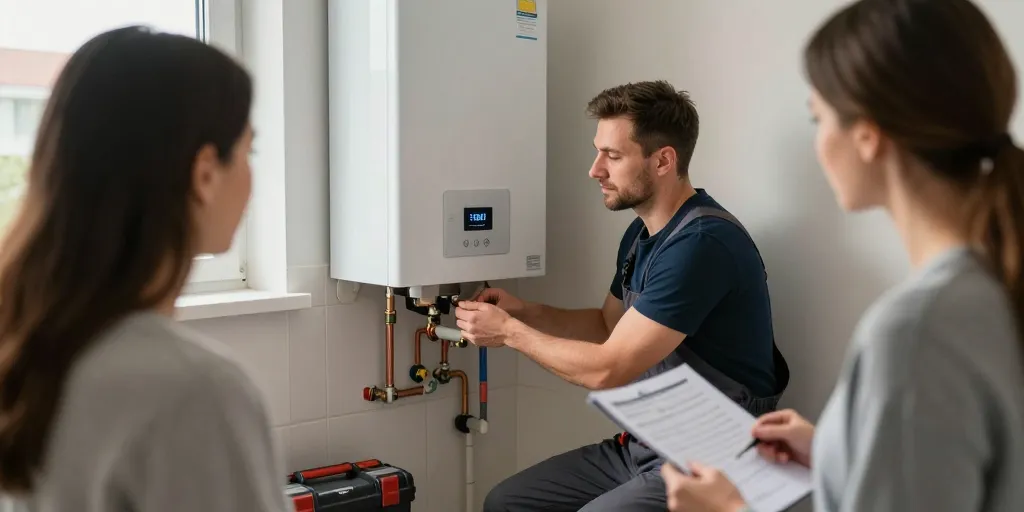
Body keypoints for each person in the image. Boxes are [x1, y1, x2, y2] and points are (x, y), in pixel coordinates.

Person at [662, 0, 1024, 511]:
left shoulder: (917, 331)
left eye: (819, 118)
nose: (819, 143)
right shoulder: (990, 286)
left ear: (868, 136)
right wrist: (839, 451)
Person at [456, 80, 790, 511]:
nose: (595, 169)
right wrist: (525, 311)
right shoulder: (642, 235)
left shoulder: (702, 246)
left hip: (713, 463)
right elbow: (606, 326)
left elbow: (608, 369)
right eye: (598, 152)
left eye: (612, 156)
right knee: (508, 502)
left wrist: (510, 333)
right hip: (648, 447)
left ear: (663, 160)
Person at [0, 27, 287, 511]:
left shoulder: (23, 340)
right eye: (248, 152)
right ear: (204, 173)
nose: (252, 176)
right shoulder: (194, 392)